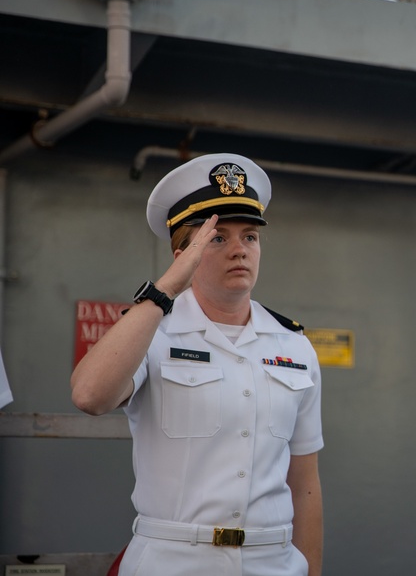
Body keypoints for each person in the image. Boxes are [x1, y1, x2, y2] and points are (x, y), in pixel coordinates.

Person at [70, 153, 324, 576]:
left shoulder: (294, 345)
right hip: (173, 561)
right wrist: (167, 287)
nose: (240, 250)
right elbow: (89, 396)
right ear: (183, 252)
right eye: (218, 238)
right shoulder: (152, 332)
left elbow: (306, 482)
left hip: (273, 563)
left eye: (250, 237)